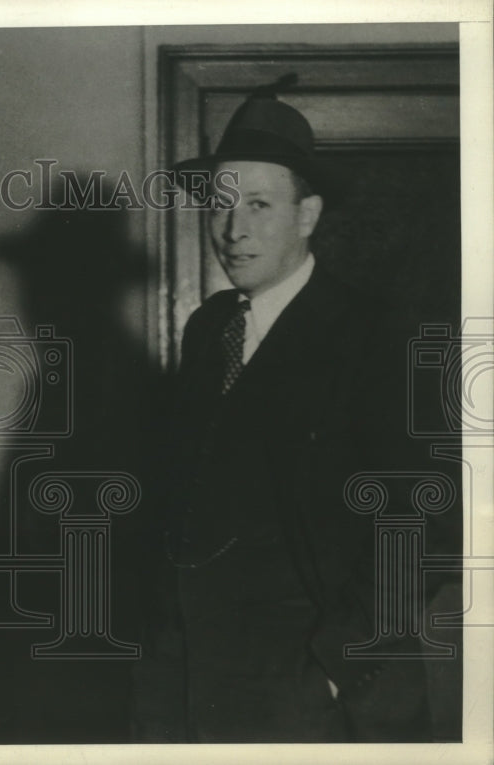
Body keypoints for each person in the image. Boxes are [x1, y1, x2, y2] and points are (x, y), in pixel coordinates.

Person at [132, 89, 460, 743]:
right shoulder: (209, 330)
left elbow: (426, 520)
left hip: (318, 693)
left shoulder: (374, 334)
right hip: (192, 684)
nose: (233, 228)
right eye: (220, 204)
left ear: (307, 214)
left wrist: (336, 663)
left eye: (258, 205)